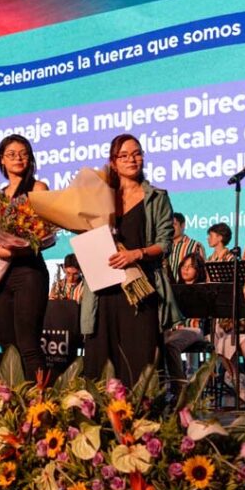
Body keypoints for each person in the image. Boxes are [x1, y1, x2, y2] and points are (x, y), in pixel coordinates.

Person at [81, 134, 180, 385]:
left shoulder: (157, 197)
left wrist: (137, 253)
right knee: (102, 360)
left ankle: (140, 422)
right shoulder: (102, 196)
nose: (132, 159)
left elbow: (165, 244)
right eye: (123, 155)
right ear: (113, 162)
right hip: (104, 290)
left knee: (140, 362)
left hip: (140, 288)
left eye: (137, 153)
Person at [0, 134, 50, 379]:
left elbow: (44, 235)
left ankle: (39, 406)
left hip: (29, 272)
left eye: (23, 153)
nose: (18, 158)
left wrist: (17, 249)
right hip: (1, 277)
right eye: (11, 154)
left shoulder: (38, 188)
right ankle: (14, 404)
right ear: (1, 161)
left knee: (28, 345)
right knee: (8, 348)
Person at [205, 221, 239, 395]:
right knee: (216, 345)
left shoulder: (230, 258)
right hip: (214, 309)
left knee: (228, 345)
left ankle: (235, 377)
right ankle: (231, 376)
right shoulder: (209, 259)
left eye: (211, 235)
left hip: (228, 308)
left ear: (219, 237)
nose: (208, 239)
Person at [163, 252, 207, 380]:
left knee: (171, 345)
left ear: (198, 270)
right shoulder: (174, 289)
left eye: (191, 266)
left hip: (196, 328)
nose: (186, 269)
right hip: (176, 330)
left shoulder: (203, 289)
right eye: (183, 265)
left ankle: (180, 386)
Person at [168, 213, 205, 277]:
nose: (171, 228)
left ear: (182, 225)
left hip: (187, 286)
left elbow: (202, 271)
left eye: (174, 224)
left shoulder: (195, 246)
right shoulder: (164, 246)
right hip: (167, 286)